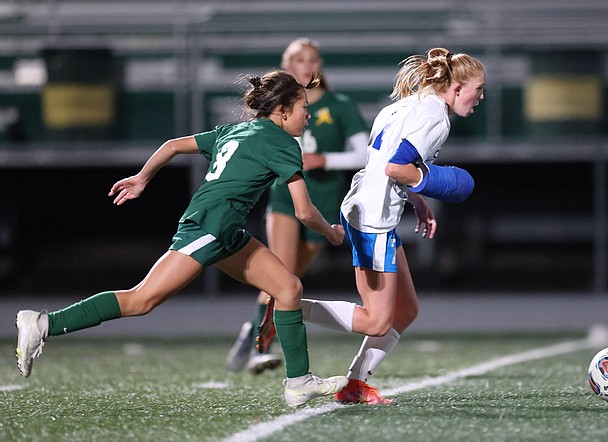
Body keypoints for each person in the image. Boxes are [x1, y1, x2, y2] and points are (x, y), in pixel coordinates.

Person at [14, 69, 349, 409]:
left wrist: (143, 178)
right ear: (281, 110)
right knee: (141, 300)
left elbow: (172, 145)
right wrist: (332, 232)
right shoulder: (281, 142)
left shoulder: (235, 131)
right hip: (210, 228)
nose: (308, 115)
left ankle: (298, 382)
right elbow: (304, 213)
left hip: (226, 230)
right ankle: (43, 323)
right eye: (303, 106)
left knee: (288, 288)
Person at [259, 48, 484, 404]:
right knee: (377, 321)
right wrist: (435, 183)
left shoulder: (405, 105)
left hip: (369, 208)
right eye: (478, 88)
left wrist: (417, 199)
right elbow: (397, 168)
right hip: (374, 219)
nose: (480, 97)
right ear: (456, 87)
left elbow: (384, 162)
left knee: (405, 311)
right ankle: (290, 307)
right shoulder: (437, 118)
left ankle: (354, 384)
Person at [226, 37, 369, 375]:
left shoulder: (339, 104)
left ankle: (251, 329)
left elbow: (364, 154)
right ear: (286, 66)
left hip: (325, 202)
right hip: (287, 199)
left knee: (288, 280)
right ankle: (263, 347)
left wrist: (324, 159)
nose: (306, 66)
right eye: (299, 59)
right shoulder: (278, 106)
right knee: (282, 274)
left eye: (312, 59)